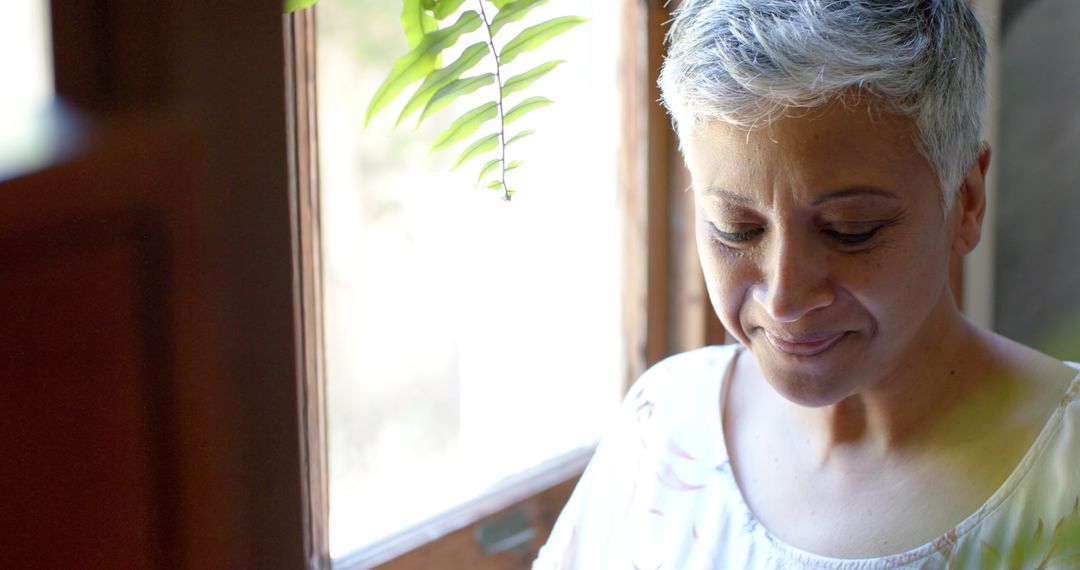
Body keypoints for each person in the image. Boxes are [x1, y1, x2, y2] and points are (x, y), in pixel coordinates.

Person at [533, 0, 1080, 568]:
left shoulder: (1066, 482)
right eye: (736, 230)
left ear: (965, 202)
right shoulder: (664, 432)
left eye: (851, 231)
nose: (785, 299)